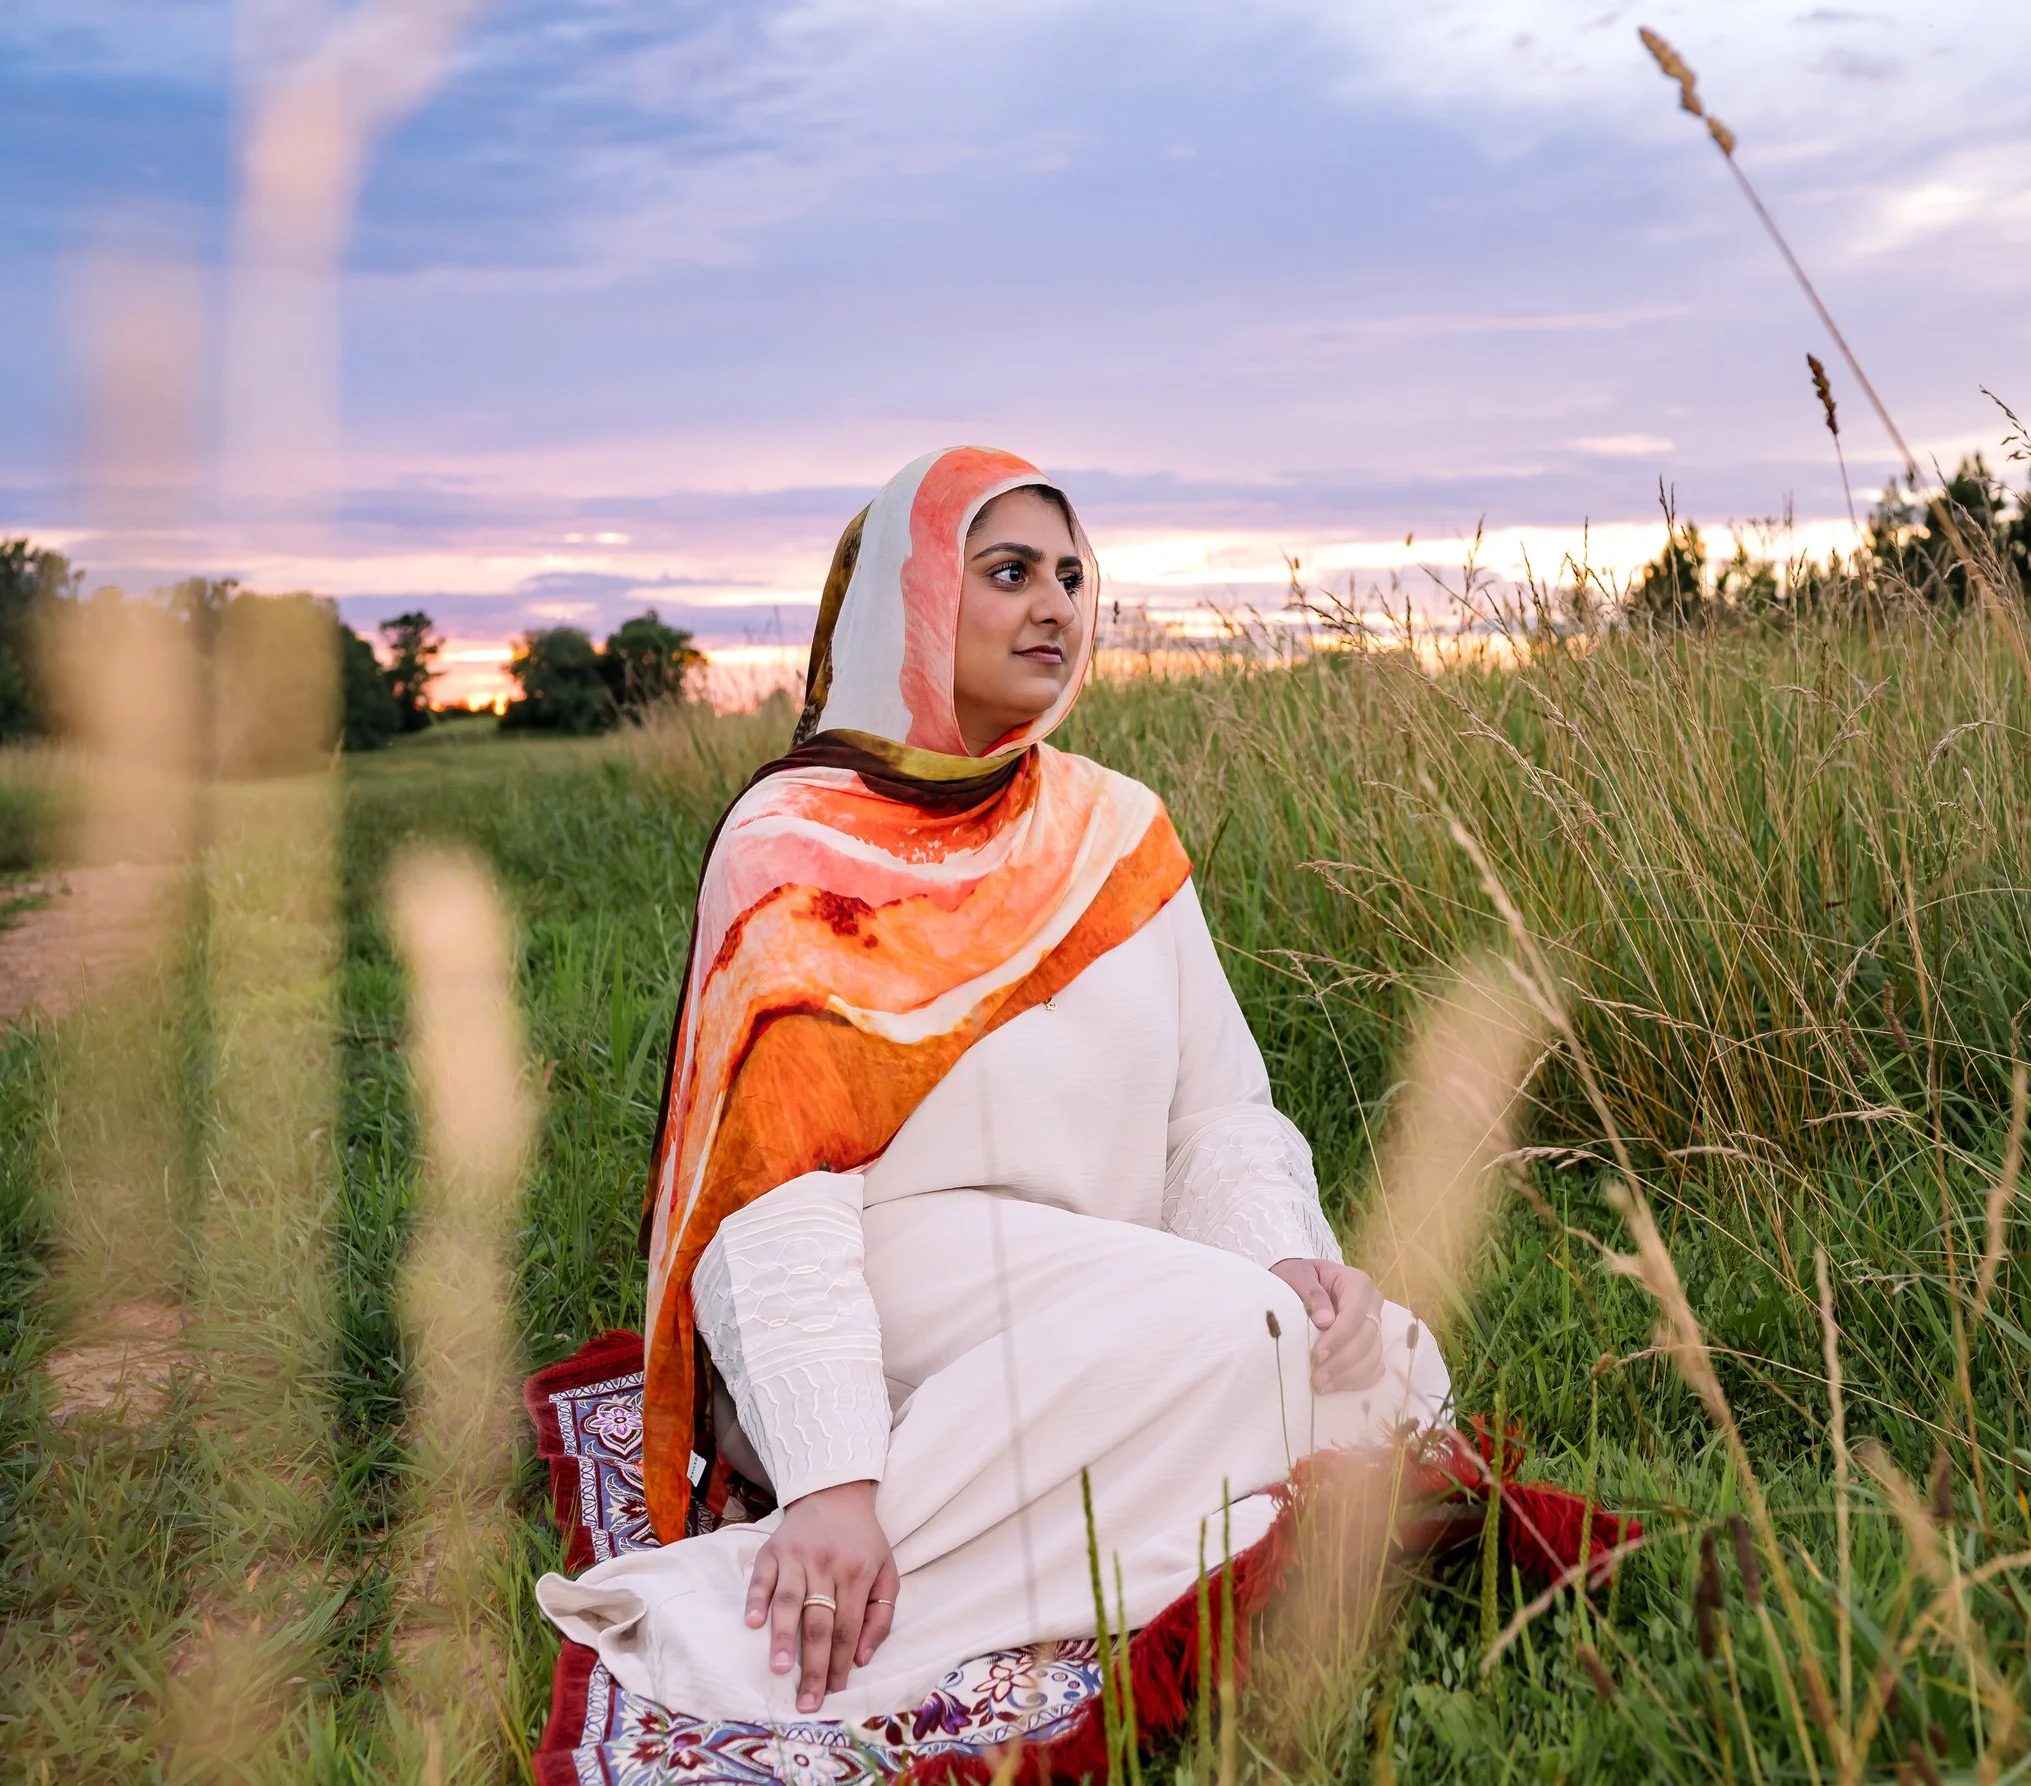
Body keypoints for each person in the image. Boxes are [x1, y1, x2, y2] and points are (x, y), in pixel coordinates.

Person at [535, 446, 1452, 1723]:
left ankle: (1106, 1473)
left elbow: (1219, 1107)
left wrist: (1279, 1253)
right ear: (908, 600)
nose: (1056, 606)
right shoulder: (795, 843)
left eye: (1072, 576)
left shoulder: (1116, 826)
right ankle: (782, 1577)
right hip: (890, 1264)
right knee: (1253, 1350)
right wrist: (832, 1478)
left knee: (1388, 1360)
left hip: (1109, 1269)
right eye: (1008, 571)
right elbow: (774, 1189)